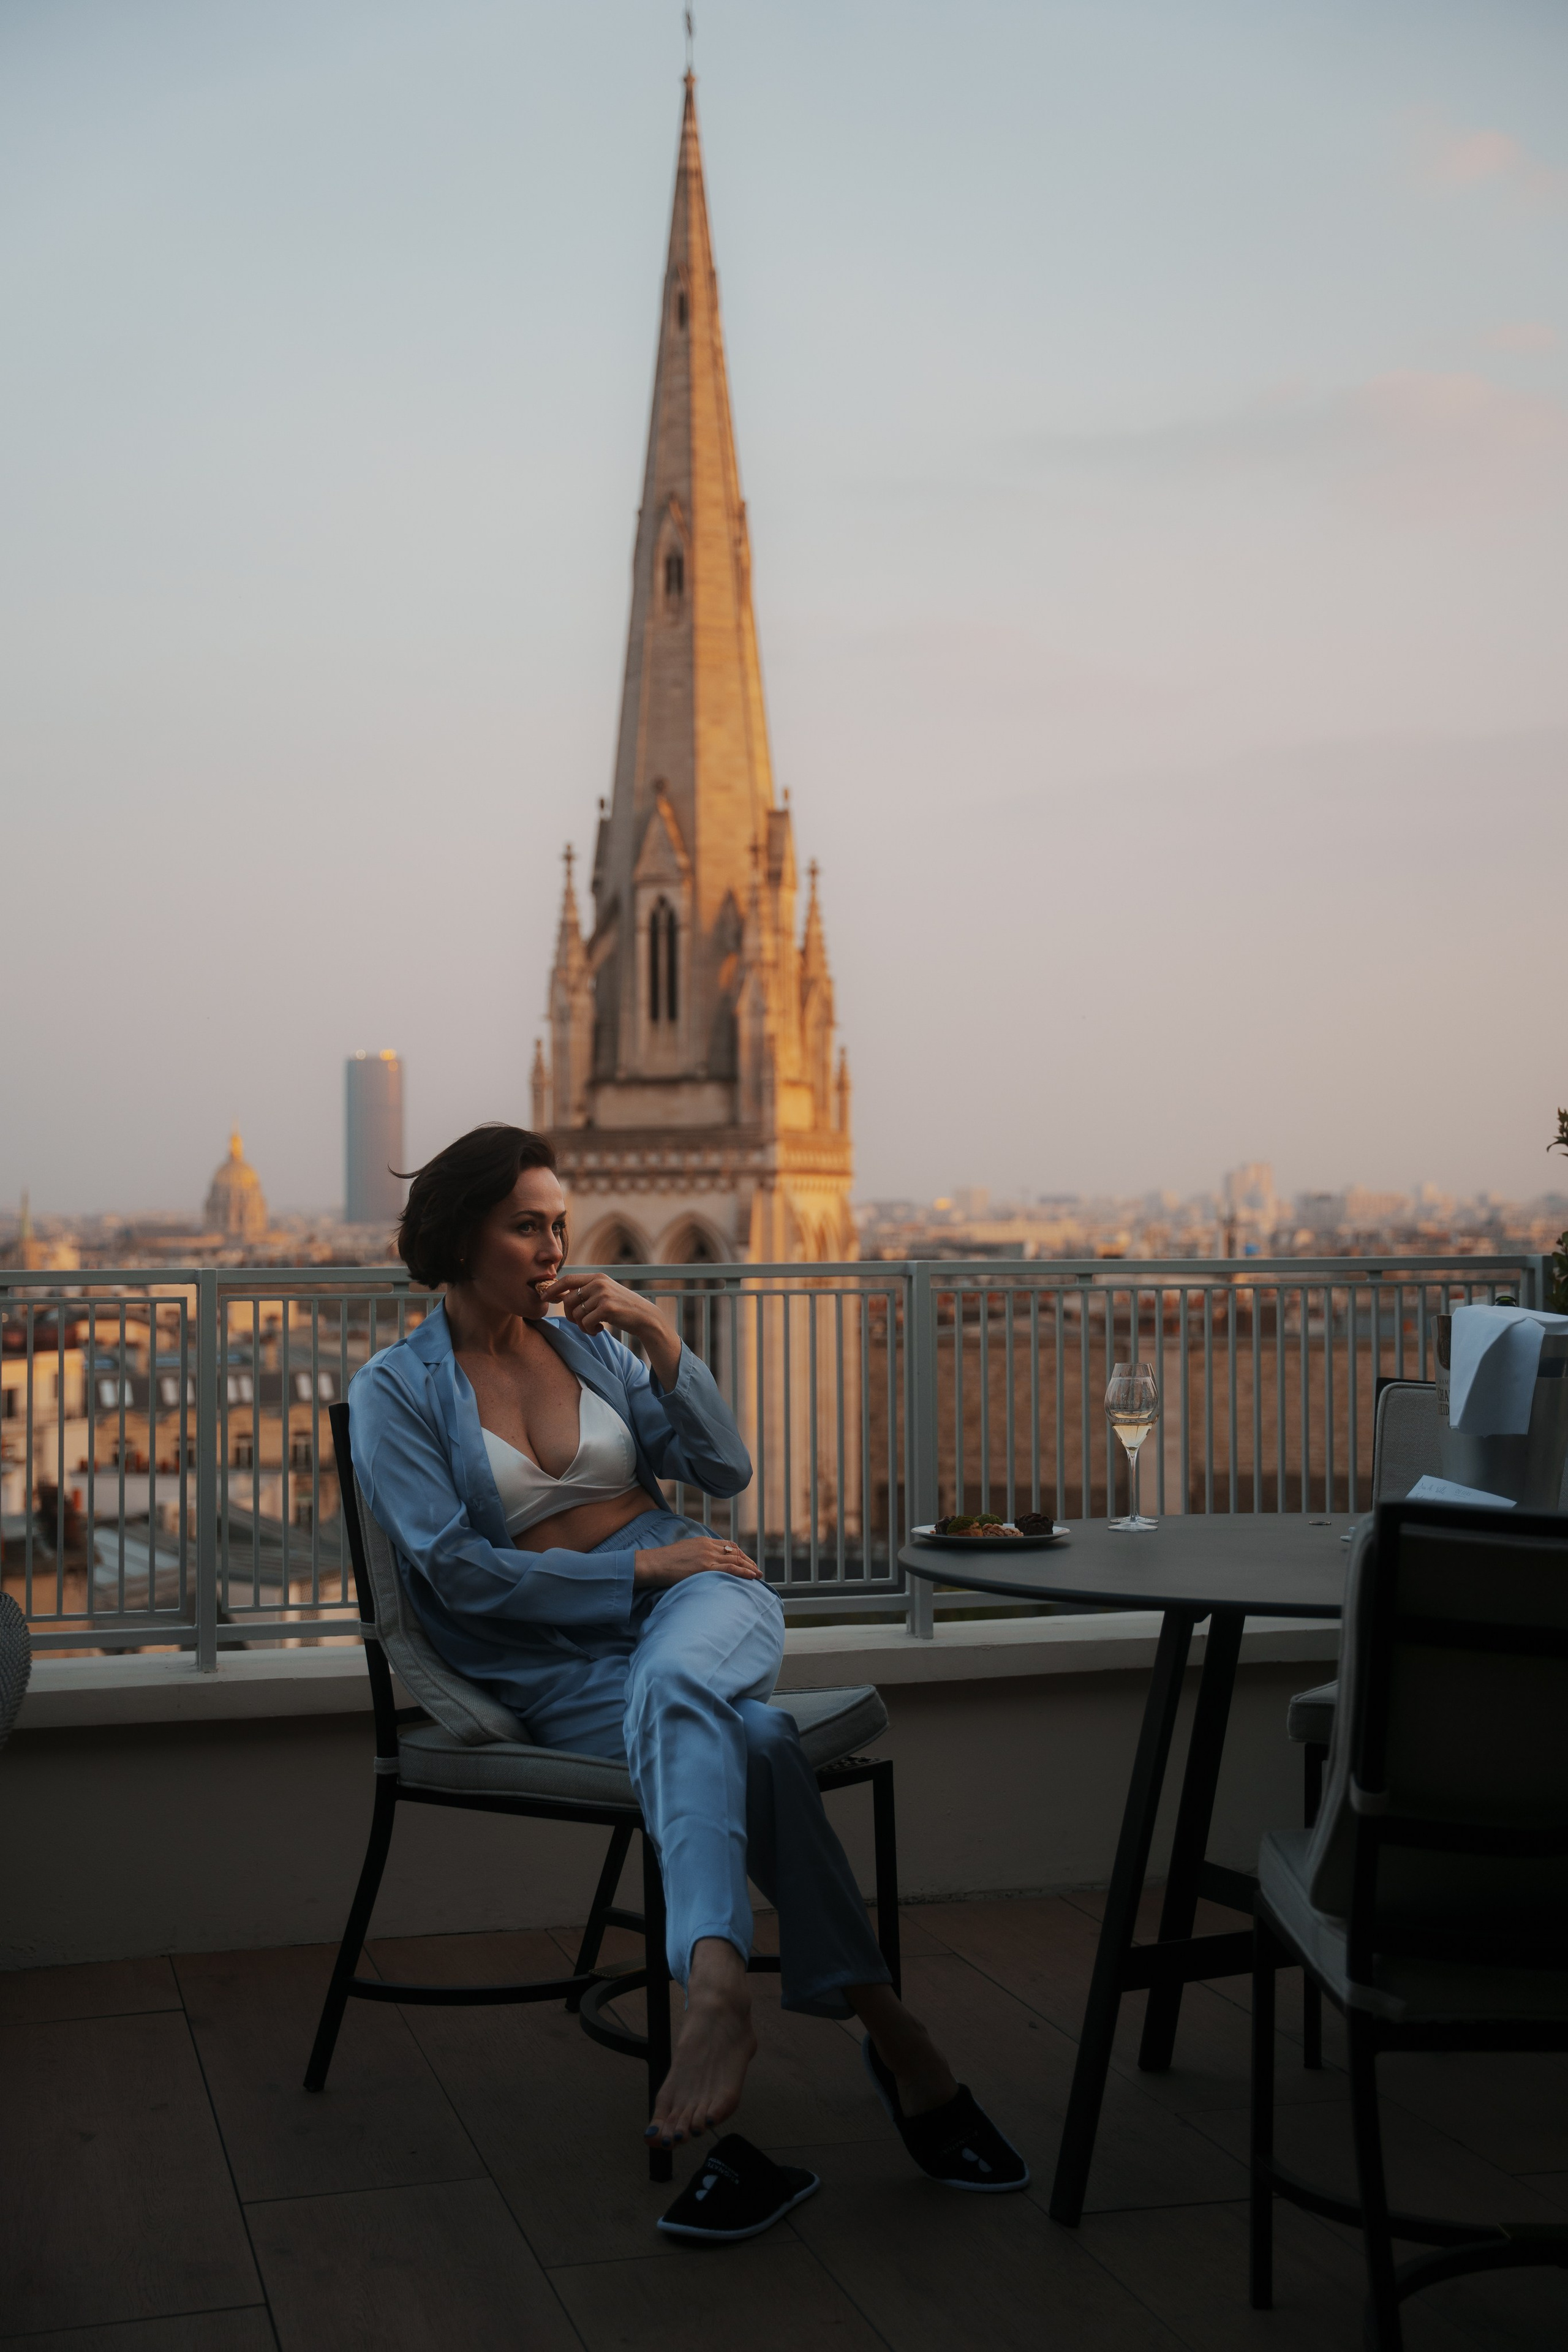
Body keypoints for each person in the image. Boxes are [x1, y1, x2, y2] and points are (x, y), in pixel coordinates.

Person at [350, 1124, 1026, 2227]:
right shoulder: (396, 1389)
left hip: (701, 1596)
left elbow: (721, 1467)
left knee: (678, 1692)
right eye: (527, 1226)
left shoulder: (593, 1349)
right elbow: (458, 1575)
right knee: (753, 1741)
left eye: (561, 1224)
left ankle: (712, 1987)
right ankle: (904, 2044)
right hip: (559, 1663)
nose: (554, 1247)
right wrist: (634, 1570)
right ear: (461, 1236)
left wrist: (660, 1337)